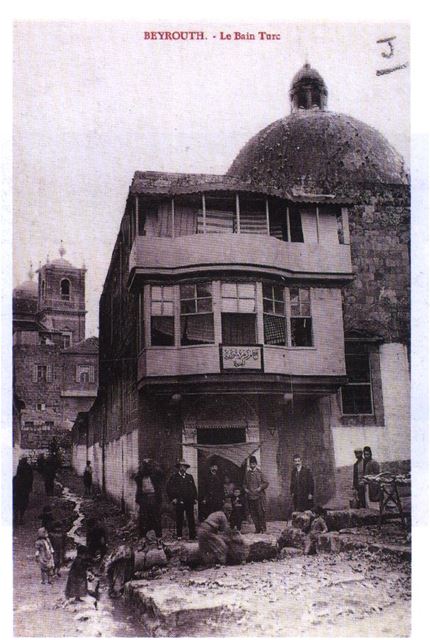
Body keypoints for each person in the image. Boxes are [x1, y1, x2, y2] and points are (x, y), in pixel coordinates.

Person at [133, 458, 164, 544]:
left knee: (156, 518)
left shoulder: (155, 476)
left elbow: (161, 473)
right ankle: (143, 538)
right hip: (144, 498)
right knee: (143, 518)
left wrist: (154, 464)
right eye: (144, 466)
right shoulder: (139, 477)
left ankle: (158, 537)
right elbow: (136, 477)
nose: (146, 468)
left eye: (147, 466)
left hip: (153, 498)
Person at [166, 459, 197, 540]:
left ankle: (192, 536)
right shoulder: (174, 477)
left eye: (184, 467)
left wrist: (195, 498)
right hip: (179, 500)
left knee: (191, 518)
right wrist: (173, 498)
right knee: (179, 518)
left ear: (186, 468)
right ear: (179, 467)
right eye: (181, 466)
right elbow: (169, 488)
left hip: (189, 501)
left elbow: (193, 488)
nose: (183, 468)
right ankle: (179, 535)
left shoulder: (189, 477)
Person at [243, 456, 269, 533]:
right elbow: (244, 484)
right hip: (250, 496)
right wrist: (245, 489)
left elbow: (266, 483)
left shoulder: (260, 473)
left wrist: (260, 488)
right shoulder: (247, 474)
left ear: (256, 464)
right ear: (249, 464)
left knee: (260, 513)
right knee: (253, 513)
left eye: (254, 464)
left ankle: (263, 529)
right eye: (251, 464)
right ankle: (257, 528)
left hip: (259, 497)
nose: (252, 465)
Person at [13, 457, 34, 525]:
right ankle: (19, 517)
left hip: (20, 489)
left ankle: (17, 517)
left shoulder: (18, 466)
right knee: (22, 503)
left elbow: (30, 478)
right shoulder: (27, 467)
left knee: (18, 503)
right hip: (22, 489)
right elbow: (31, 478)